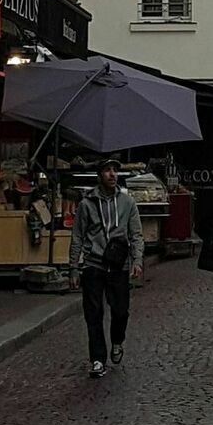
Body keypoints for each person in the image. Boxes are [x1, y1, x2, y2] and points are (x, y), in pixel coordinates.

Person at [70, 158, 145, 379]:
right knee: (93, 313)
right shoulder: (87, 204)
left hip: (119, 264)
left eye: (115, 170)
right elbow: (77, 236)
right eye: (107, 170)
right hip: (94, 264)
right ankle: (97, 359)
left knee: (121, 311)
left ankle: (117, 341)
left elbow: (136, 234)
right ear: (99, 175)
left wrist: (137, 260)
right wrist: (73, 267)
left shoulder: (127, 202)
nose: (112, 174)